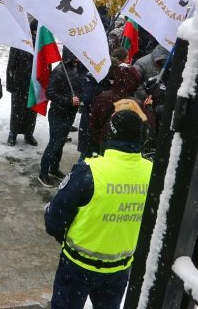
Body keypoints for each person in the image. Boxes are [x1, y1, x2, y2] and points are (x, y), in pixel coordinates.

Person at [44, 107, 152, 309]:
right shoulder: (152, 172)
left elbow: (54, 218)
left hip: (77, 266)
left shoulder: (90, 170)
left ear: (110, 134)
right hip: (118, 269)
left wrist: (62, 235)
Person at [88, 63, 155, 154]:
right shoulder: (135, 104)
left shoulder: (103, 97)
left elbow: (93, 124)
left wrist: (101, 141)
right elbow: (149, 127)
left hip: (105, 148)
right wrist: (148, 108)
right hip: (129, 151)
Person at [39, 50, 80, 188]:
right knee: (54, 143)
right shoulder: (59, 71)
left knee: (61, 143)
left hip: (69, 114)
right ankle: (43, 173)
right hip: (58, 114)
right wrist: (69, 101)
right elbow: (50, 93)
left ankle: (54, 168)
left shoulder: (74, 68)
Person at [6, 20, 39, 146]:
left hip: (34, 83)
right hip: (19, 83)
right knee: (17, 109)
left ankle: (29, 133)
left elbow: (46, 64)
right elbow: (11, 64)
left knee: (32, 110)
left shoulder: (41, 44)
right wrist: (10, 83)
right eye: (34, 31)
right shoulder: (19, 41)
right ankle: (13, 133)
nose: (35, 34)